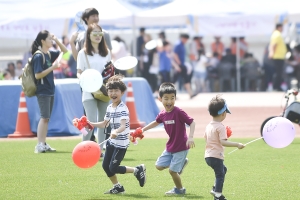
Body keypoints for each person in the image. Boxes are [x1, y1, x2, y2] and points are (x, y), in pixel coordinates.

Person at [88, 75, 146, 194]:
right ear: (107, 92)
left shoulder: (123, 109)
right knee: (105, 166)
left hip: (121, 144)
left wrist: (115, 131)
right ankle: (118, 187)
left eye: (116, 91)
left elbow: (123, 126)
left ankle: (137, 170)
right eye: (110, 91)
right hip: (111, 142)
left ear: (122, 92)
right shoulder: (109, 107)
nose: (113, 93)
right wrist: (90, 123)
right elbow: (105, 123)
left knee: (113, 168)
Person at [141, 82, 196, 195]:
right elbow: (155, 122)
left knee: (172, 171)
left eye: (172, 98)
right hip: (170, 146)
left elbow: (192, 122)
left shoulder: (178, 112)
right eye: (166, 98)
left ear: (175, 98)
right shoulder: (162, 114)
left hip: (181, 146)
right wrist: (143, 129)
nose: (169, 101)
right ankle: (181, 163)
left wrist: (190, 137)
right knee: (158, 166)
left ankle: (180, 190)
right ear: (160, 99)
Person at [70, 7, 113, 144]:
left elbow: (110, 71)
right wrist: (81, 79)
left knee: (103, 123)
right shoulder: (83, 53)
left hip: (104, 90)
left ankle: (100, 150)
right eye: (95, 33)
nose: (98, 36)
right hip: (89, 90)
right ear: (88, 35)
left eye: (99, 33)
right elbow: (79, 71)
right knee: (89, 123)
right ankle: (85, 149)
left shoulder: (106, 53)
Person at [31, 30, 68, 153]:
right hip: (43, 90)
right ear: (42, 41)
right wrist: (53, 67)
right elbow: (37, 75)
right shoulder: (38, 55)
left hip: (49, 89)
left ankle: (43, 143)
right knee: (44, 117)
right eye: (49, 39)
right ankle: (39, 145)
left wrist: (57, 40)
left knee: (46, 118)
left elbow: (64, 51)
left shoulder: (48, 54)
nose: (51, 41)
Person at [204, 95, 245, 200]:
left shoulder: (209, 125)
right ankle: (217, 194)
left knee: (223, 170)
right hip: (216, 156)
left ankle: (215, 189)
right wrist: (237, 144)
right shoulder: (221, 126)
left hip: (208, 156)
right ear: (223, 113)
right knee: (220, 174)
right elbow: (223, 142)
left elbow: (206, 138)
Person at [173, 33, 196, 98]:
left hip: (182, 65)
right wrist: (178, 64)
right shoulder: (178, 44)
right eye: (186, 39)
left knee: (186, 79)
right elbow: (175, 54)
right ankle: (171, 95)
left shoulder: (182, 45)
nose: (186, 41)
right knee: (174, 80)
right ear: (183, 38)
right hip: (178, 65)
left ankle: (190, 93)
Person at [268, 23, 287, 91]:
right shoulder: (277, 34)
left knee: (278, 72)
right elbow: (274, 45)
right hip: (277, 57)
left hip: (279, 56)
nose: (283, 29)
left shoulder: (276, 34)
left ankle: (277, 86)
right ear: (279, 27)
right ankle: (276, 87)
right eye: (282, 27)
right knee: (278, 73)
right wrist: (272, 53)